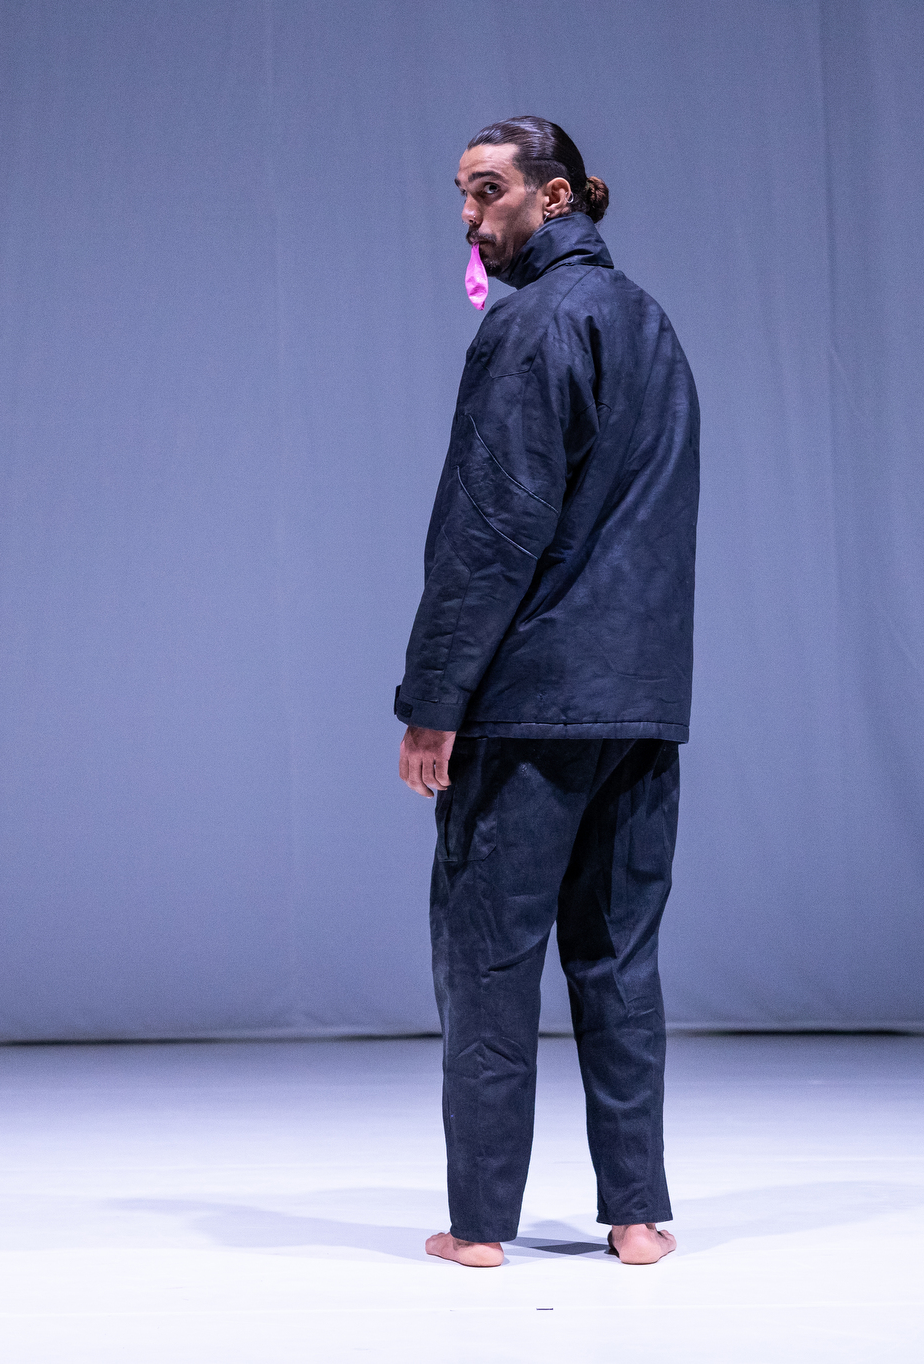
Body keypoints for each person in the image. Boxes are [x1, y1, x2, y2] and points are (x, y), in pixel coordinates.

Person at [394, 116, 700, 1269]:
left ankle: (480, 1225)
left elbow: (488, 531)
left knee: (487, 953)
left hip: (530, 706)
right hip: (641, 702)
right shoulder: (650, 325)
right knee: (618, 958)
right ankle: (637, 1215)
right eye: (462, 194)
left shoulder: (529, 326)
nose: (468, 217)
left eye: (487, 192)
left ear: (554, 196)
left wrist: (432, 698)